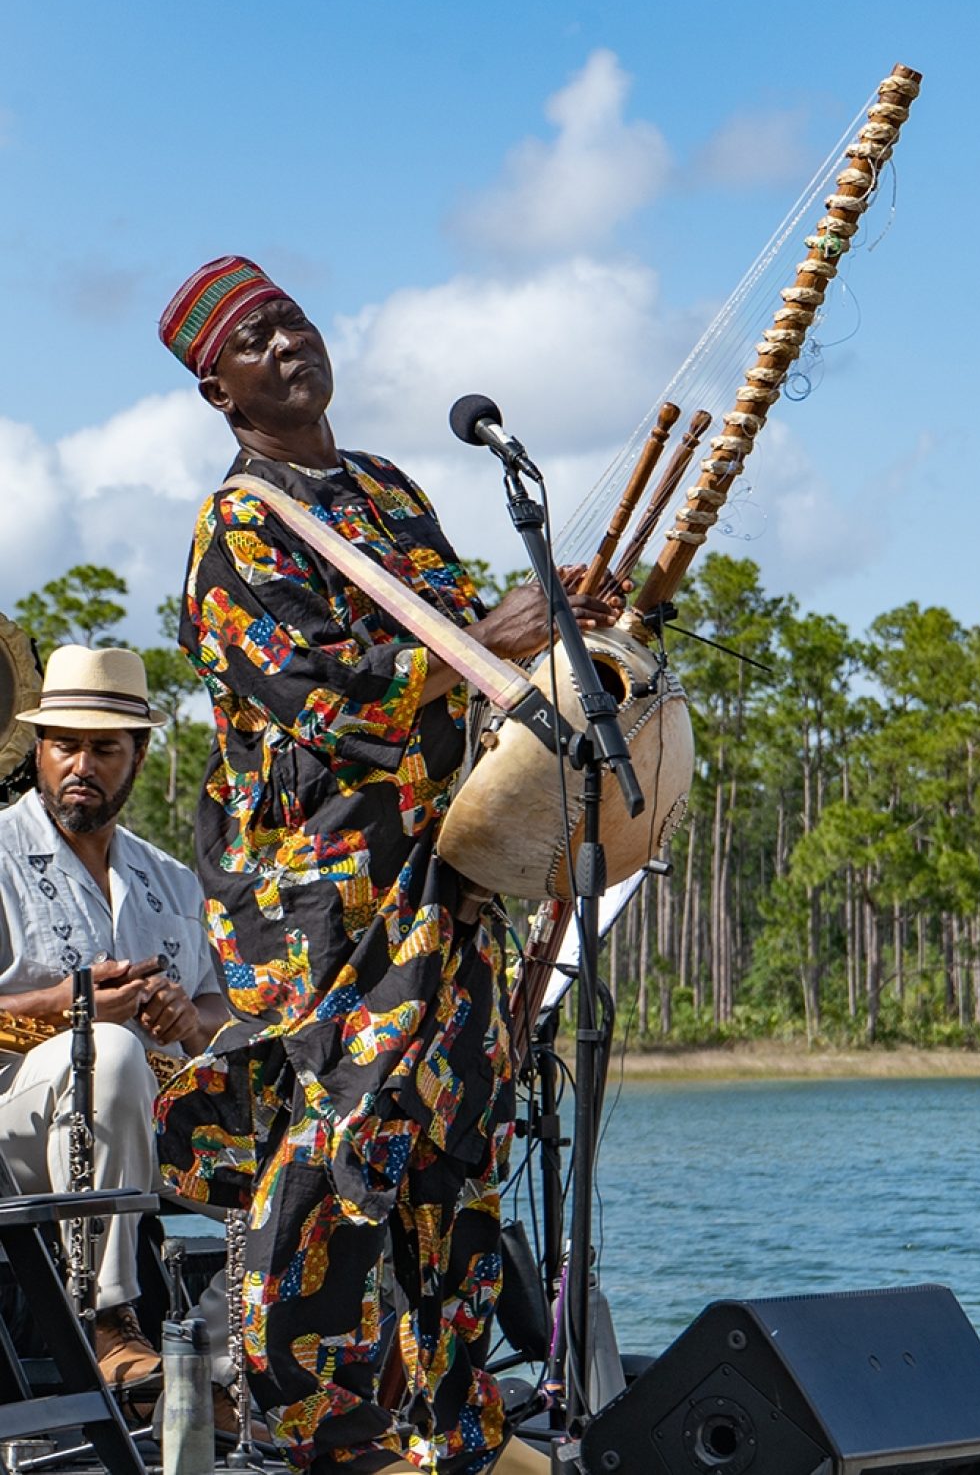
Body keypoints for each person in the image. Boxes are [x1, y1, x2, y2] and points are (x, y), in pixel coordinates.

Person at [155, 255, 623, 1474]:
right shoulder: (242, 523)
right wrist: (487, 638)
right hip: (323, 901)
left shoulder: (385, 488)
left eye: (294, 321)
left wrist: (559, 616)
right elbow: (319, 697)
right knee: (335, 1150)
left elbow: (473, 627)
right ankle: (320, 1435)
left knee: (456, 1150)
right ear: (222, 393)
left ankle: (452, 1427)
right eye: (255, 342)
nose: (287, 345)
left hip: (444, 880)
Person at [0, 643, 241, 1428]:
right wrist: (76, 1002)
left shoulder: (169, 879)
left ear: (139, 756)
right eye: (64, 744)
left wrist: (185, 1016)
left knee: (307, 1077)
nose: (80, 764)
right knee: (108, 1047)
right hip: (16, 1123)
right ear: (37, 748)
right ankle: (111, 1322)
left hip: (138, 1123)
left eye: (104, 748)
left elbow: (217, 1010)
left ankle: (235, 1346)